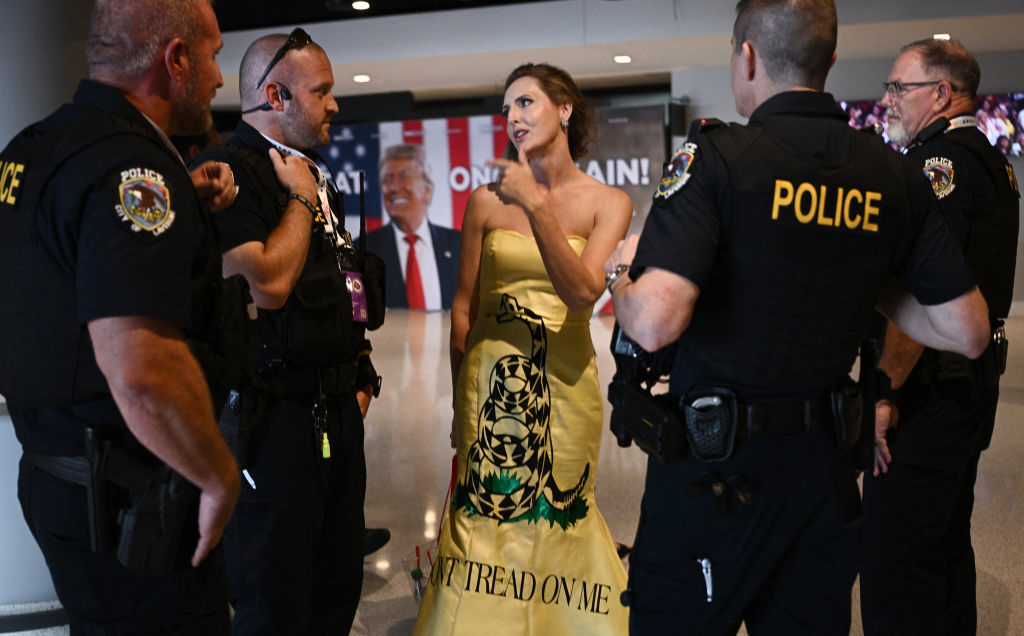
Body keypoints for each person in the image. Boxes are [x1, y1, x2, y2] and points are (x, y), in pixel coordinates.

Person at [606, 0, 992, 633]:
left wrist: (620, 273)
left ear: (747, 55)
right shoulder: (891, 175)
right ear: (830, 59)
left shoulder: (716, 160)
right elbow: (966, 330)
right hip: (823, 479)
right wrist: (854, 270)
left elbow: (653, 322)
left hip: (714, 478)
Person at [0, 0, 240, 633]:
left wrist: (180, 211)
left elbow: (56, 275)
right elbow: (141, 368)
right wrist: (217, 476)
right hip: (133, 503)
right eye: (213, 56)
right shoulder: (132, 170)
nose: (219, 77)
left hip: (56, 480)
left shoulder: (32, 147)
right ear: (176, 60)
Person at [413, 63, 633, 634]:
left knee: (560, 515)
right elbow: (464, 306)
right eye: (507, 108)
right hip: (489, 389)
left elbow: (584, 295)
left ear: (565, 109)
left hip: (565, 387)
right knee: (482, 519)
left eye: (526, 103)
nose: (513, 118)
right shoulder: (484, 202)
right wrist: (462, 402)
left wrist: (535, 206)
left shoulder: (608, 203)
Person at [191, 27, 381, 635]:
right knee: (275, 599)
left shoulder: (314, 175)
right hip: (270, 424)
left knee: (335, 586)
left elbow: (340, 280)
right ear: (276, 96)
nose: (334, 104)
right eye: (321, 92)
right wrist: (299, 201)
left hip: (333, 413)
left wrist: (360, 372)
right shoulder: (227, 173)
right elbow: (266, 285)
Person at [861, 38, 1020, 635]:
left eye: (898, 88)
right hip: (967, 387)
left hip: (928, 392)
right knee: (945, 541)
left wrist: (883, 393)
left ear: (941, 94)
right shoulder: (988, 156)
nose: (886, 100)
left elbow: (931, 292)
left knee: (899, 557)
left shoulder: (938, 165)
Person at [364, 143, 461, 310]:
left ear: (427, 190)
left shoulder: (459, 244)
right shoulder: (364, 249)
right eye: (387, 180)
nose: (394, 187)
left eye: (404, 177)